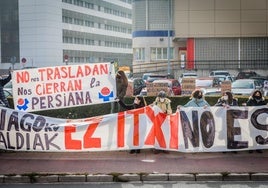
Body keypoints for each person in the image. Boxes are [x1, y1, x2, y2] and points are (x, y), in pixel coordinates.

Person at [246, 89, 266, 154]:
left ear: (260, 94)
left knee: (259, 133)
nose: (257, 95)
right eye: (256, 94)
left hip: (260, 121)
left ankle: (257, 147)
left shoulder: (263, 102)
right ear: (254, 94)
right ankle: (253, 147)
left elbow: (264, 110)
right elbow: (247, 108)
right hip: (252, 120)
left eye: (258, 94)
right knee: (252, 134)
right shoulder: (250, 101)